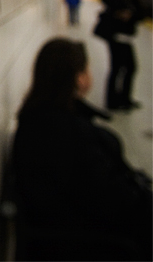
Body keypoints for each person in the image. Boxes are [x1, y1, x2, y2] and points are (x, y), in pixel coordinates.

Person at [12, 38, 152, 261]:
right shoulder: (68, 134)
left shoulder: (38, 119)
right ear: (79, 78)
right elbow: (112, 200)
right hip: (90, 241)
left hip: (70, 229)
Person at [97, 0, 142, 110]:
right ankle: (112, 101)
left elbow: (140, 15)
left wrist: (131, 15)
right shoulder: (115, 0)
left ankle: (125, 98)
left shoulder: (133, 3)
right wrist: (118, 13)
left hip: (127, 39)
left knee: (130, 68)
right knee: (116, 69)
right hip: (115, 39)